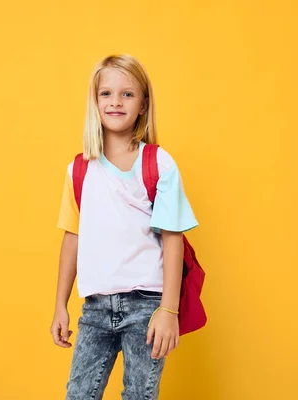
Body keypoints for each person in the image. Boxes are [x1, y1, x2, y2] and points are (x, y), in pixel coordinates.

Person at [50, 53, 198, 400]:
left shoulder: (158, 163)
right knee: (79, 393)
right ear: (95, 101)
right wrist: (61, 303)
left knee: (139, 395)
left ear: (143, 104)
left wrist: (168, 309)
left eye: (127, 94)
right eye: (106, 93)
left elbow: (173, 239)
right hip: (95, 307)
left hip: (146, 307)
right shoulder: (79, 170)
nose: (116, 101)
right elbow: (73, 236)